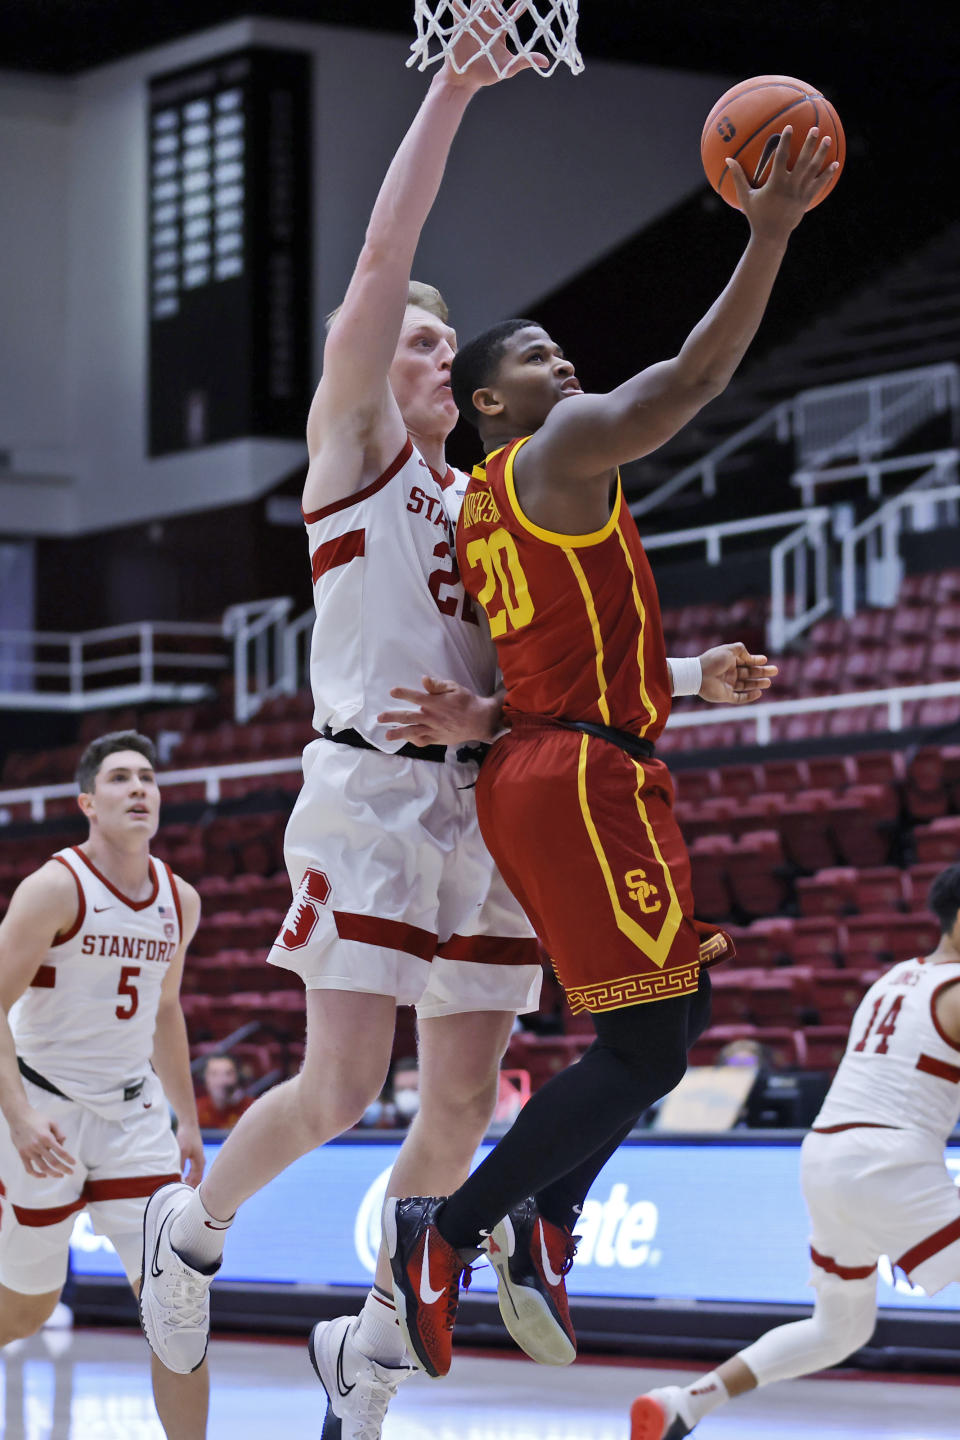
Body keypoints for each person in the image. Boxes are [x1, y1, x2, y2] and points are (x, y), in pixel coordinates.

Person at [138, 18, 548, 1439]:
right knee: (337, 1087)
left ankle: (368, 1341)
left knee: (465, 1105)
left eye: (445, 343)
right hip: (371, 794)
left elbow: (533, 676)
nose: (433, 354)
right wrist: (453, 85)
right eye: (419, 341)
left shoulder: (489, 504)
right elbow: (378, 270)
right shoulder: (357, 450)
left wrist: (493, 707)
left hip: (477, 806)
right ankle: (190, 1228)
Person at [384, 124, 839, 1382]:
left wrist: (682, 676)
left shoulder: (490, 502)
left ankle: (550, 1212)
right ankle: (458, 1227)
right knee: (644, 1050)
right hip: (581, 778)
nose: (561, 358)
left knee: (673, 1016)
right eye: (532, 355)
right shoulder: (558, 451)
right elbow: (690, 382)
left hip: (564, 762)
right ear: (489, 405)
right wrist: (769, 232)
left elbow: (537, 653)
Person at [631, 862, 960, 1438]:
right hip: (890, 1160)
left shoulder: (895, 977)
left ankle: (684, 1402)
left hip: (829, 1156)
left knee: (839, 1331)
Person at [0, 731, 208, 1439]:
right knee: (28, 1306)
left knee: (175, 1304)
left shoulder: (181, 899)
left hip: (132, 1118)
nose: (139, 789)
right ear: (88, 801)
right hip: (43, 1112)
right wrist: (21, 1118)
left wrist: (186, 1116)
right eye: (120, 778)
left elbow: (167, 1009)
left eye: (148, 777)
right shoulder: (55, 886)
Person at [194, 1053, 252, 1130]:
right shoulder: (195, 1110)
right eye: (214, 1074)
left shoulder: (251, 1109)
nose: (221, 1081)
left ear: (238, 1077)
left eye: (228, 1074)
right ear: (204, 1078)